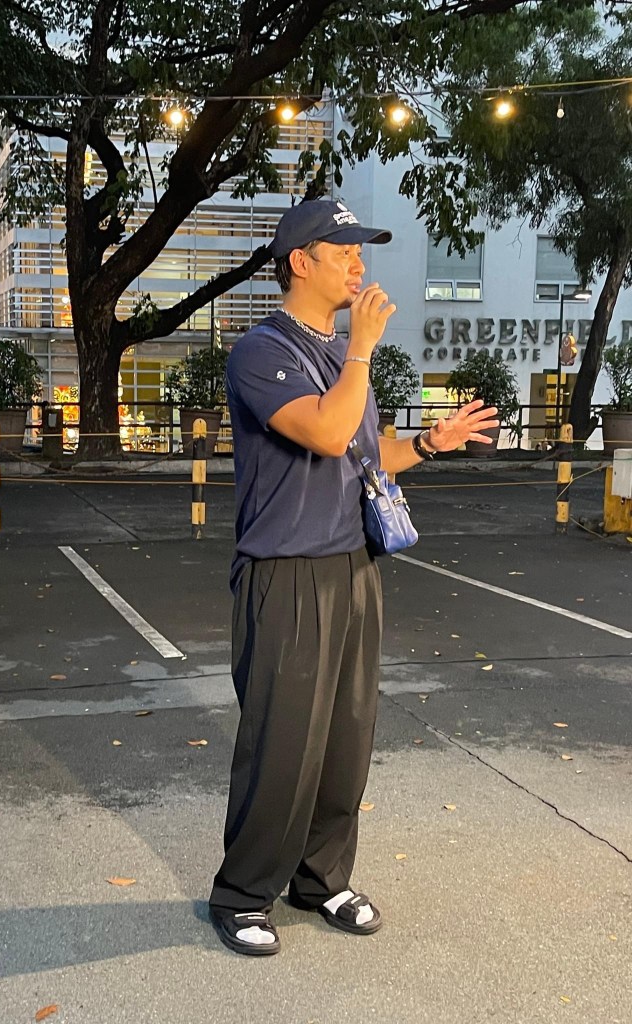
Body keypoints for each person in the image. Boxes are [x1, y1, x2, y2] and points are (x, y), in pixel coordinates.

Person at [208, 198, 499, 957]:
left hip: (352, 566)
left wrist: (429, 443)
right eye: (344, 252)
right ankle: (242, 893)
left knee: (346, 739)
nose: (359, 265)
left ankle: (320, 878)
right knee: (283, 743)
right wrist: (363, 350)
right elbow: (327, 430)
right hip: (286, 574)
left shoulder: (342, 356)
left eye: (360, 252)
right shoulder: (261, 352)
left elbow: (366, 456)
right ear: (300, 262)